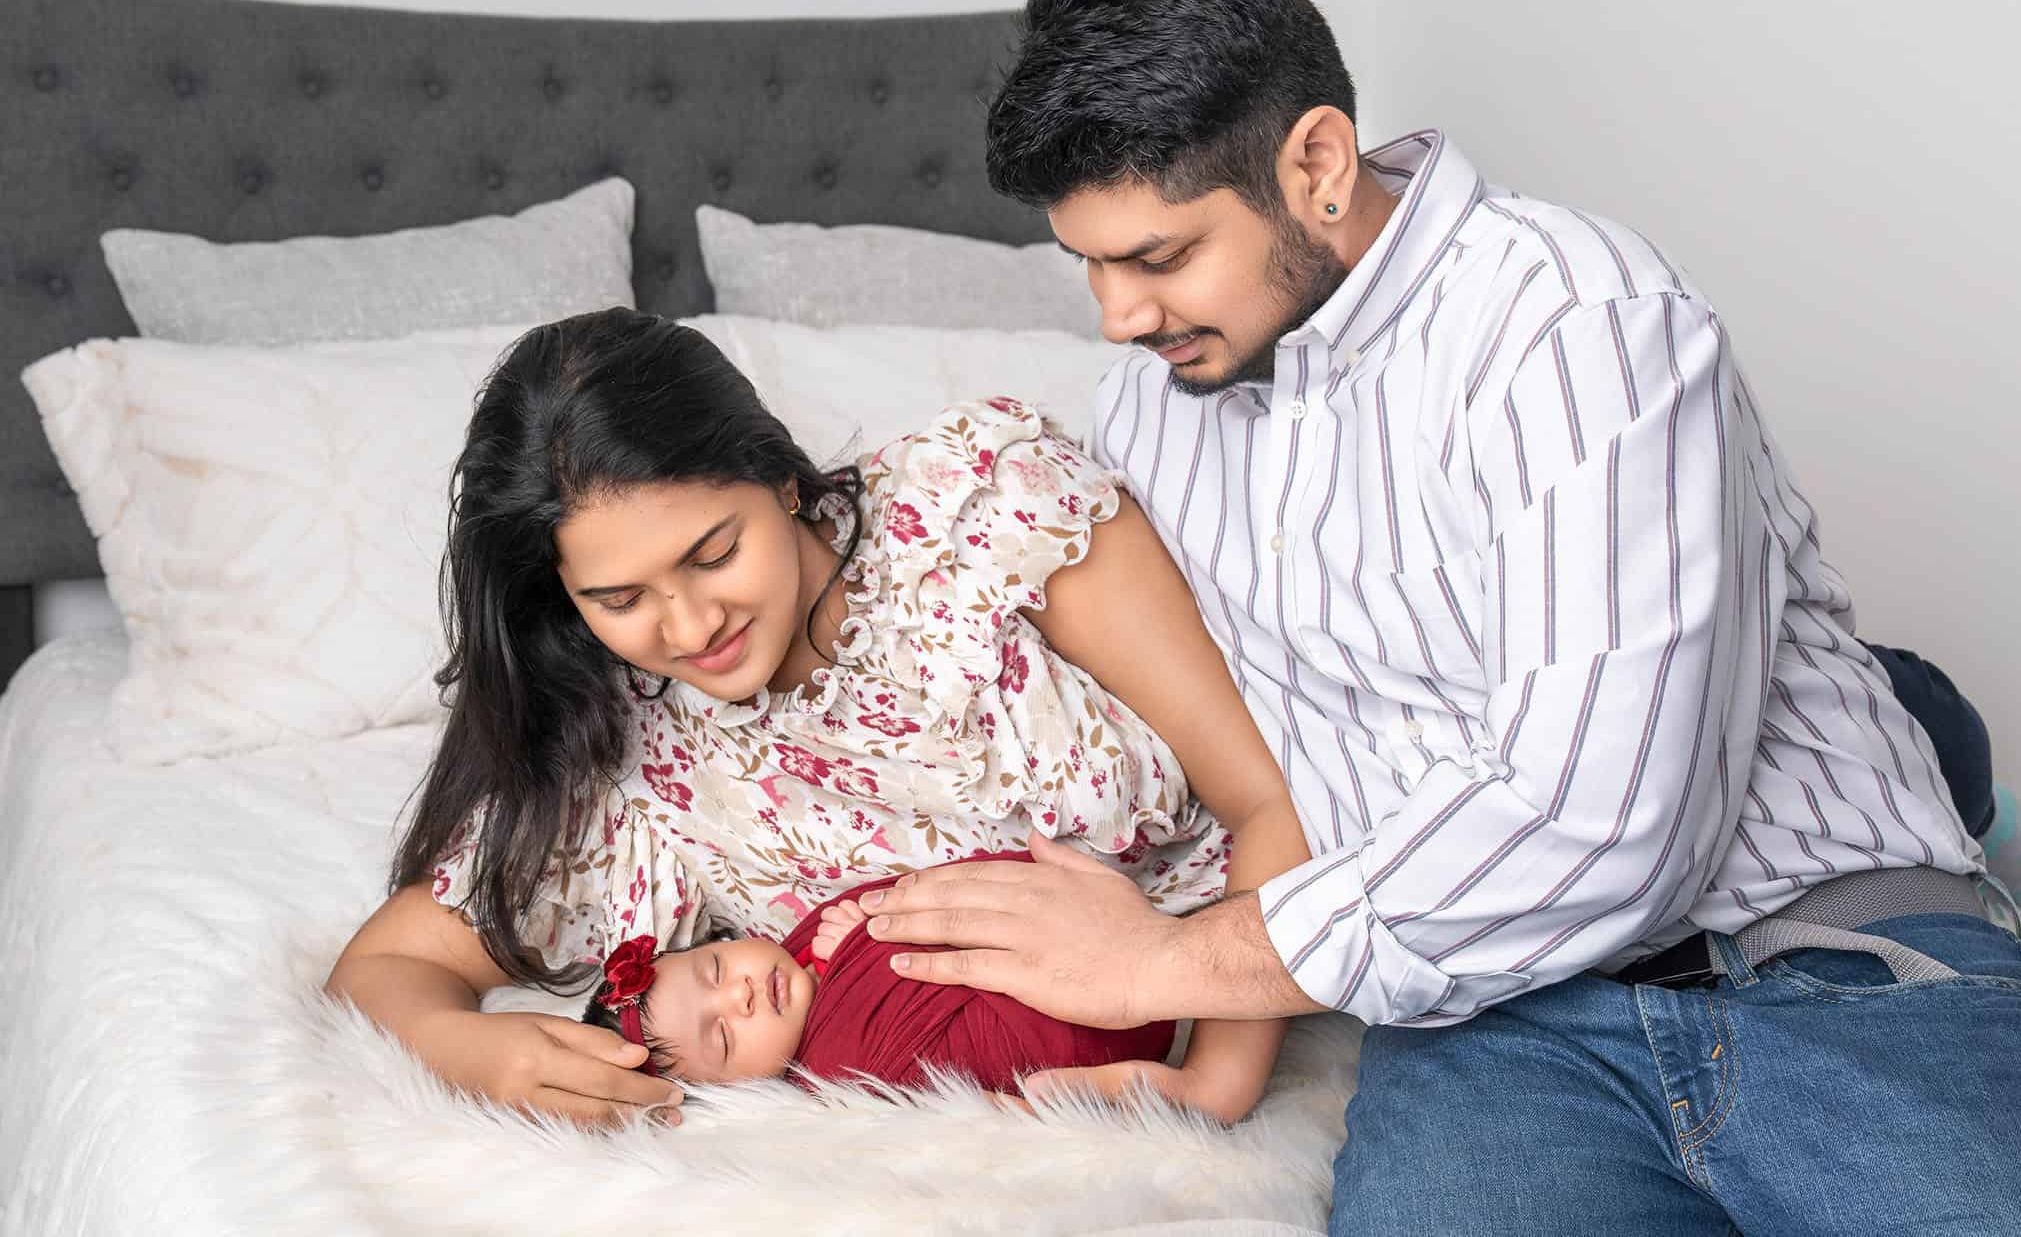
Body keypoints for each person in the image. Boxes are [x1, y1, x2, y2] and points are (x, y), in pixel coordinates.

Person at [856, 0, 2021, 1233]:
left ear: (1316, 162)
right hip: (1494, 1027)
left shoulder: (1578, 320)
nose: (1119, 317)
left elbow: (1597, 824)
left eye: (1161, 256)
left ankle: (1950, 770)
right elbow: (1153, 745)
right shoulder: (1147, 416)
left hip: (1818, 955)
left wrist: (1168, 959)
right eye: (1087, 268)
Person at [325, 308, 1307, 1128]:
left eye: (713, 553)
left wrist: (1213, 1079)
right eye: (620, 599)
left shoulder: (976, 512)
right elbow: (386, 965)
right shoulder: (638, 757)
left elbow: (1272, 793)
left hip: (1301, 952)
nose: (691, 624)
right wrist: (466, 1049)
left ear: (780, 479)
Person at [580, 852, 1177, 1097]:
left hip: (1108, 932)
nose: (740, 994)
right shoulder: (834, 1068)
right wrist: (862, 941)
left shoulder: (804, 943)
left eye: (715, 968)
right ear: (745, 1091)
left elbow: (939, 892)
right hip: (1088, 1025)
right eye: (726, 1037)